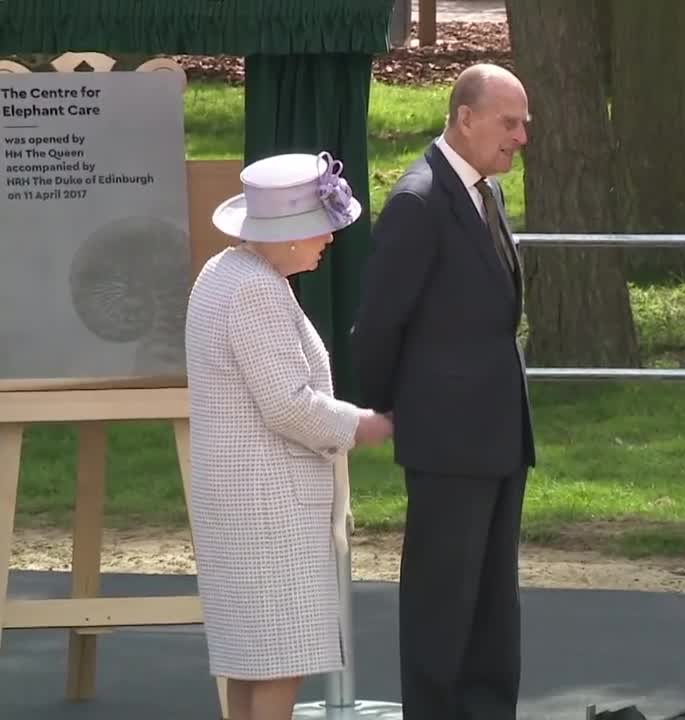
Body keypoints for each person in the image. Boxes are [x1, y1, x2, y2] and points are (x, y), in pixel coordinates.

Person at [350, 63, 535, 719]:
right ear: (464, 117)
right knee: (442, 604)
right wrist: (383, 406)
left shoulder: (485, 194)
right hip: (448, 439)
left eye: (524, 124)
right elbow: (378, 322)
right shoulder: (420, 201)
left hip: (497, 435)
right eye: (508, 123)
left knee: (491, 603)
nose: (520, 137)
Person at [186, 151, 393, 720]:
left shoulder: (223, 272)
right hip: (266, 506)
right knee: (278, 660)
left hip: (240, 500)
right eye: (322, 227)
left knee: (254, 660)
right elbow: (287, 404)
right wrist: (362, 425)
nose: (330, 238)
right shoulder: (257, 290)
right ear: (290, 233)